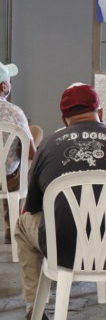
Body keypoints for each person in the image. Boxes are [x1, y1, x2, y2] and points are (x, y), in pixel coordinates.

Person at [14, 84, 106, 320]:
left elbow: (34, 207)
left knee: (22, 224)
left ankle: (32, 307)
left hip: (62, 248)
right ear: (101, 112)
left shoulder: (47, 145)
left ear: (63, 118)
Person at [0, 61, 42, 245]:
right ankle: (13, 226)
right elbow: (31, 154)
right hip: (7, 179)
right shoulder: (14, 112)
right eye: (10, 81)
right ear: (3, 86)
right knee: (34, 137)